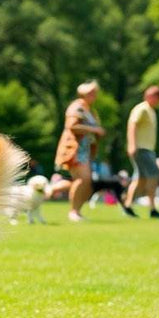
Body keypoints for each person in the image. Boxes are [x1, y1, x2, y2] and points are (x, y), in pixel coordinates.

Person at [54, 81, 106, 222]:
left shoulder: (90, 110)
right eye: (91, 92)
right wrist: (94, 129)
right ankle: (73, 212)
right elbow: (72, 126)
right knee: (82, 179)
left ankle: (77, 211)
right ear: (83, 93)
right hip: (74, 149)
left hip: (86, 151)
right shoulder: (77, 107)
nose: (94, 95)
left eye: (95, 92)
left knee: (87, 182)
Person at [124, 85, 159, 219]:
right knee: (153, 176)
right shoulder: (142, 109)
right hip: (141, 148)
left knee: (140, 179)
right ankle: (152, 208)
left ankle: (128, 205)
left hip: (147, 149)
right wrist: (132, 145)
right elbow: (132, 125)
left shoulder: (150, 111)